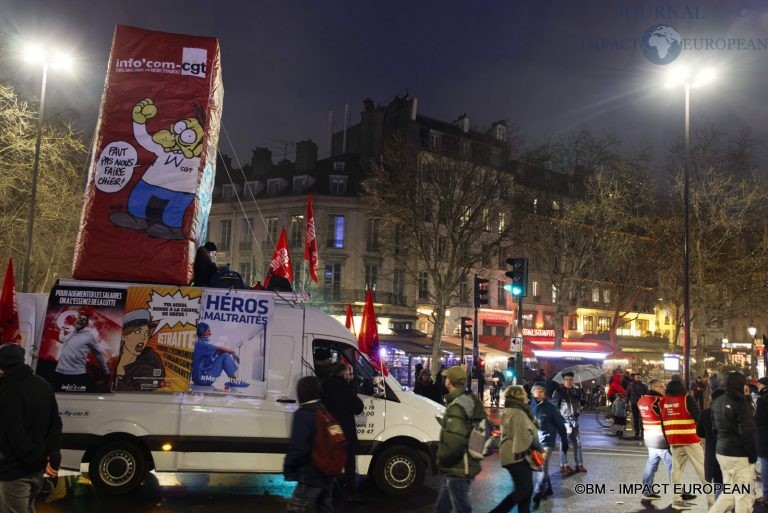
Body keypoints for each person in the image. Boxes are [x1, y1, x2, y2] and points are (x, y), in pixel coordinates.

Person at [0, 343, 62, 513]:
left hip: (15, 471)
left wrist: (32, 459)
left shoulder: (8, 391)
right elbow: (55, 422)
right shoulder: (43, 384)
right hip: (36, 470)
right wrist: (52, 454)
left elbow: (15, 433)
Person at [435, 366, 486, 513]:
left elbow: (454, 442)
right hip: (461, 466)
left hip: (460, 468)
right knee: (442, 507)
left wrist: (440, 458)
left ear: (450, 381)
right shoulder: (469, 399)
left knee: (461, 509)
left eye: (446, 377)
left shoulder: (457, 406)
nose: (444, 379)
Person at [283, 375, 333, 513]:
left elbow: (298, 447)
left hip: (310, 474)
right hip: (326, 473)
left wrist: (289, 466)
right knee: (324, 508)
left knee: (295, 509)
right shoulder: (324, 411)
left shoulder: (304, 413)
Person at [488, 385, 542, 513]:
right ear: (520, 396)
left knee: (525, 491)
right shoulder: (518, 412)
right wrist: (538, 446)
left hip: (514, 455)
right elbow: (522, 436)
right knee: (524, 489)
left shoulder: (511, 410)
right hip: (517, 456)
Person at [660, 374, 709, 510]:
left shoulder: (663, 401)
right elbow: (698, 416)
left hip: (674, 440)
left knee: (676, 472)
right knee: (703, 470)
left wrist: (667, 442)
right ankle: (711, 501)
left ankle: (676, 500)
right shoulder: (686, 398)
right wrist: (704, 434)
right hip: (690, 439)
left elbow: (663, 423)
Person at [708, 371, 756, 513]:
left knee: (729, 493)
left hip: (722, 452)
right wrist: (752, 455)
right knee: (744, 496)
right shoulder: (741, 402)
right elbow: (747, 433)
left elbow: (714, 428)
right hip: (739, 455)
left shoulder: (717, 400)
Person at [320, 362, 364, 502]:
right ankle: (351, 491)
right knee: (349, 462)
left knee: (331, 460)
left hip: (331, 429)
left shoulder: (324, 386)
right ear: (344, 375)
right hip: (345, 430)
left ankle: (331, 491)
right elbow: (358, 407)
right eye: (348, 373)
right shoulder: (345, 388)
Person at [529, 383, 567, 509]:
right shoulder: (530, 406)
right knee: (541, 466)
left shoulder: (551, 407)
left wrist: (564, 440)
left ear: (544, 393)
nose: (538, 393)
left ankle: (538, 493)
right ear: (532, 392)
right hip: (535, 442)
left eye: (541, 391)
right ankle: (548, 488)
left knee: (541, 466)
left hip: (547, 442)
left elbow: (560, 425)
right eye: (536, 391)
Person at [53, 313, 110, 392]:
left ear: (86, 324)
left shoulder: (88, 335)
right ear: (75, 321)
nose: (80, 320)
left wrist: (105, 370)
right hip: (60, 371)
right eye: (79, 318)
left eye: (83, 319)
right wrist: (62, 330)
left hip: (75, 374)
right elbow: (62, 340)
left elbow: (98, 353)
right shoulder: (72, 333)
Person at [637, 379, 673, 501]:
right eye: (662, 386)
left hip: (649, 436)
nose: (664, 389)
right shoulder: (659, 401)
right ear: (655, 387)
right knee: (672, 466)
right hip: (661, 439)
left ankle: (646, 491)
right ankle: (677, 494)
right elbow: (668, 417)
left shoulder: (641, 400)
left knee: (651, 464)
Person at [115, 309, 165, 391]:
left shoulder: (148, 366)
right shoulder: (110, 359)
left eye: (147, 333)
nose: (144, 338)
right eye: (138, 332)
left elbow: (139, 392)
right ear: (123, 336)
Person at [191, 323, 249, 389]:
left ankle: (233, 380)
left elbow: (219, 351)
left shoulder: (199, 344)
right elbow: (220, 349)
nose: (210, 333)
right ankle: (234, 381)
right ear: (203, 332)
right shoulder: (201, 344)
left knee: (223, 354)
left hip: (197, 379)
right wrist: (233, 353)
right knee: (225, 356)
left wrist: (230, 353)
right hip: (203, 379)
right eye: (208, 331)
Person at [552, 371, 586, 473]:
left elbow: (582, 404)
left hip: (575, 420)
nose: (569, 381)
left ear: (573, 380)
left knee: (578, 443)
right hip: (564, 421)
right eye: (567, 379)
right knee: (564, 443)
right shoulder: (558, 392)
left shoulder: (576, 391)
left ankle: (579, 465)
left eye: (571, 379)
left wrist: (583, 396)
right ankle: (564, 465)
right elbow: (554, 408)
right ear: (563, 380)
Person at [696, 388, 724, 500]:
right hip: (728, 451)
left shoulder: (705, 413)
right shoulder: (730, 412)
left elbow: (700, 433)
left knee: (718, 483)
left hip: (712, 452)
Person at [754, 377, 768, 506]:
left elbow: (758, 419)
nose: (757, 386)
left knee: (765, 465)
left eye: (759, 384)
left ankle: (766, 495)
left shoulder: (762, 400)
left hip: (764, 437)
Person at [627, 373, 648, 440]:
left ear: (641, 378)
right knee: (635, 418)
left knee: (642, 419)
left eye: (639, 377)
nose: (638, 378)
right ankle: (637, 433)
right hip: (634, 403)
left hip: (642, 404)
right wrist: (626, 402)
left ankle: (642, 433)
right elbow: (628, 394)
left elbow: (647, 395)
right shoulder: (631, 385)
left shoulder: (644, 386)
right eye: (637, 377)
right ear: (634, 378)